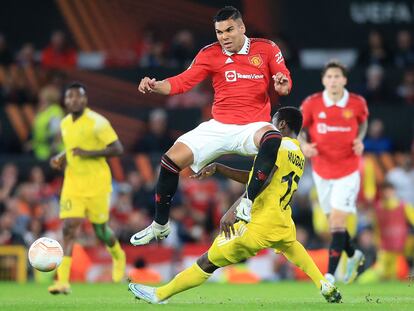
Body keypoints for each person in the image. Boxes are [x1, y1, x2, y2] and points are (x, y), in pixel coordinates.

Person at [128, 107, 342, 304]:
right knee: (292, 247)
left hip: (257, 224)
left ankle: (160, 295)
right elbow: (258, 177)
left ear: (282, 124)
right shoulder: (298, 154)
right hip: (281, 218)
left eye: (272, 121)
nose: (267, 125)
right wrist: (220, 168)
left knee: (207, 261)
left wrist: (232, 211)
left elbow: (263, 179)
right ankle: (323, 284)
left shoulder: (276, 146)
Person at [131, 6, 292, 246]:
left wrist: (281, 84)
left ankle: (247, 203)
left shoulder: (267, 48)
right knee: (170, 160)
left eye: (229, 30)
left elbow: (284, 82)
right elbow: (182, 83)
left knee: (272, 136)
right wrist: (155, 85)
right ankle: (160, 225)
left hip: (252, 126)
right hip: (218, 127)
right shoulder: (209, 53)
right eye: (219, 32)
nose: (224, 37)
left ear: (241, 28)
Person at [48, 82, 126, 294]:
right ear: (65, 101)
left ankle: (118, 256)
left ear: (85, 99)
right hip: (73, 183)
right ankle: (62, 281)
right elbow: (72, 148)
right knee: (69, 227)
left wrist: (88, 153)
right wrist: (61, 157)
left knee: (100, 231)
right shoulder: (65, 123)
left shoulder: (98, 122)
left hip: (97, 185)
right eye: (69, 97)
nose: (73, 100)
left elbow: (118, 149)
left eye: (77, 97)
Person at [299, 60, 369, 284]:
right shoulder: (312, 103)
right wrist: (303, 144)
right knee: (333, 226)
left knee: (338, 223)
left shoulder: (357, 103)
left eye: (337, 76)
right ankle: (354, 254)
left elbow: (363, 123)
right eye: (329, 77)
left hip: (348, 171)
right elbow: (299, 128)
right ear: (323, 80)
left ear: (344, 80)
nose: (333, 81)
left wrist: (359, 139)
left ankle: (329, 275)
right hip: (321, 170)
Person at [358, 182, 414, 283]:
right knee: (382, 270)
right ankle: (363, 280)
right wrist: (376, 239)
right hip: (385, 244)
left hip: (400, 244)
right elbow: (376, 226)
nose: (387, 193)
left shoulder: (403, 206)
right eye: (385, 191)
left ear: (394, 191)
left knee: (398, 271)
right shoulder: (378, 208)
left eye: (389, 191)